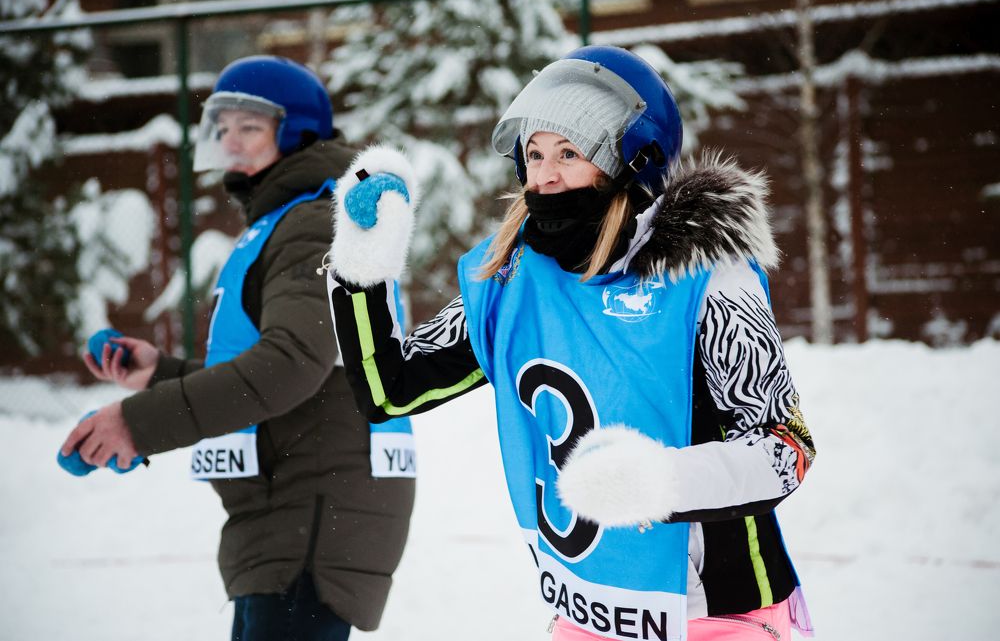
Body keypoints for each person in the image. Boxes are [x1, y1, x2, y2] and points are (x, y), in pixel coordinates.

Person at [325, 46, 818, 641]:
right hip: (588, 615)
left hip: (720, 614)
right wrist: (363, 268)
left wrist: (660, 482)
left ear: (629, 164)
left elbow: (786, 449)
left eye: (569, 153)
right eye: (534, 154)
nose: (546, 176)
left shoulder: (706, 278)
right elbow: (390, 388)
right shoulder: (514, 282)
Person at [60, 55, 415, 641]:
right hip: (290, 512)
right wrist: (160, 374)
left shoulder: (312, 223)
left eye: (249, 126)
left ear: (297, 132)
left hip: (311, 515)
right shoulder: (289, 220)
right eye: (222, 127)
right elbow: (284, 365)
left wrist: (137, 423)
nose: (231, 141)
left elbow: (290, 366)